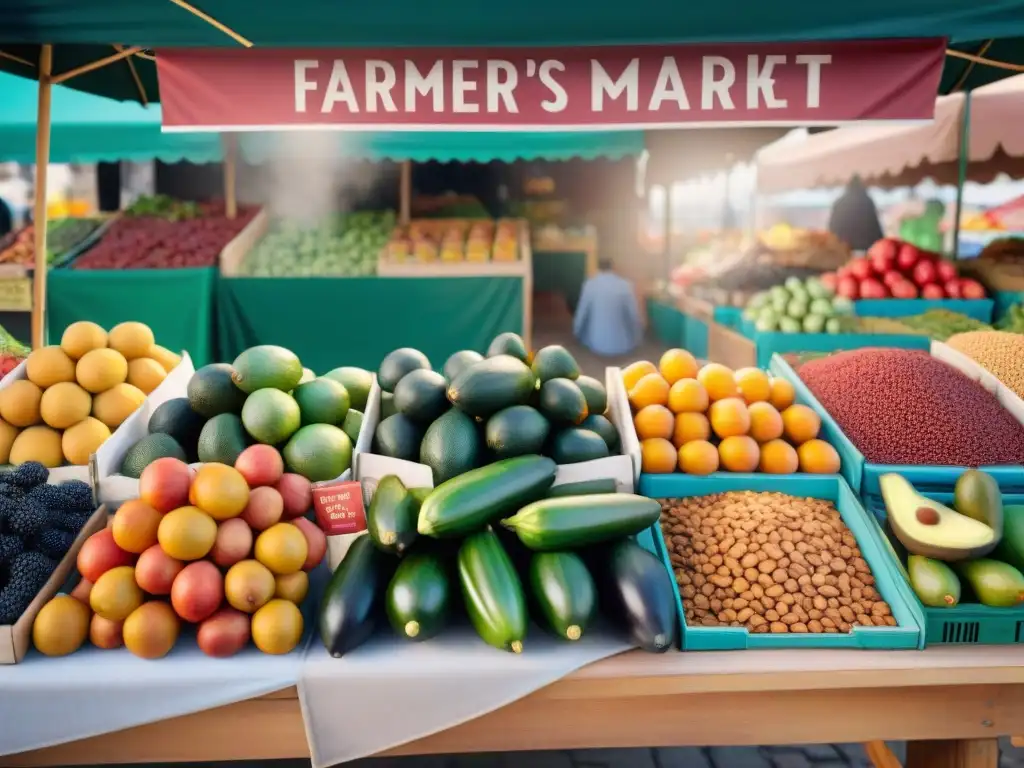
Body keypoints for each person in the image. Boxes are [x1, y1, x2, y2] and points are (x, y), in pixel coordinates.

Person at [573, 259, 643, 357]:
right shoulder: (625, 285)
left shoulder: (590, 284)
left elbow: (581, 314)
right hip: (623, 346)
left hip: (596, 345)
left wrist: (576, 333)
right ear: (613, 268)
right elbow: (634, 316)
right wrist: (638, 338)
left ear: (597, 268)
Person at [827, 175, 884, 251]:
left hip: (844, 249)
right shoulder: (867, 201)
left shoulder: (840, 202)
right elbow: (875, 227)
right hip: (865, 247)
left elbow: (832, 229)